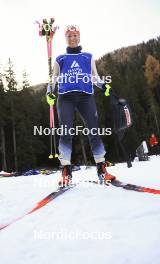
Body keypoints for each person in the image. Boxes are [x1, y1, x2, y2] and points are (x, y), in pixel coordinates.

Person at [46, 25, 115, 187]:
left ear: (79, 37)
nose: (72, 38)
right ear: (66, 38)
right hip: (65, 98)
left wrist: (104, 86)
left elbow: (95, 78)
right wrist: (49, 93)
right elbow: (53, 80)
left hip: (85, 97)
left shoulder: (88, 57)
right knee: (66, 132)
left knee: (94, 130)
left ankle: (101, 169)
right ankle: (66, 170)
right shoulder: (60, 59)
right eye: (69, 36)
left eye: (75, 35)